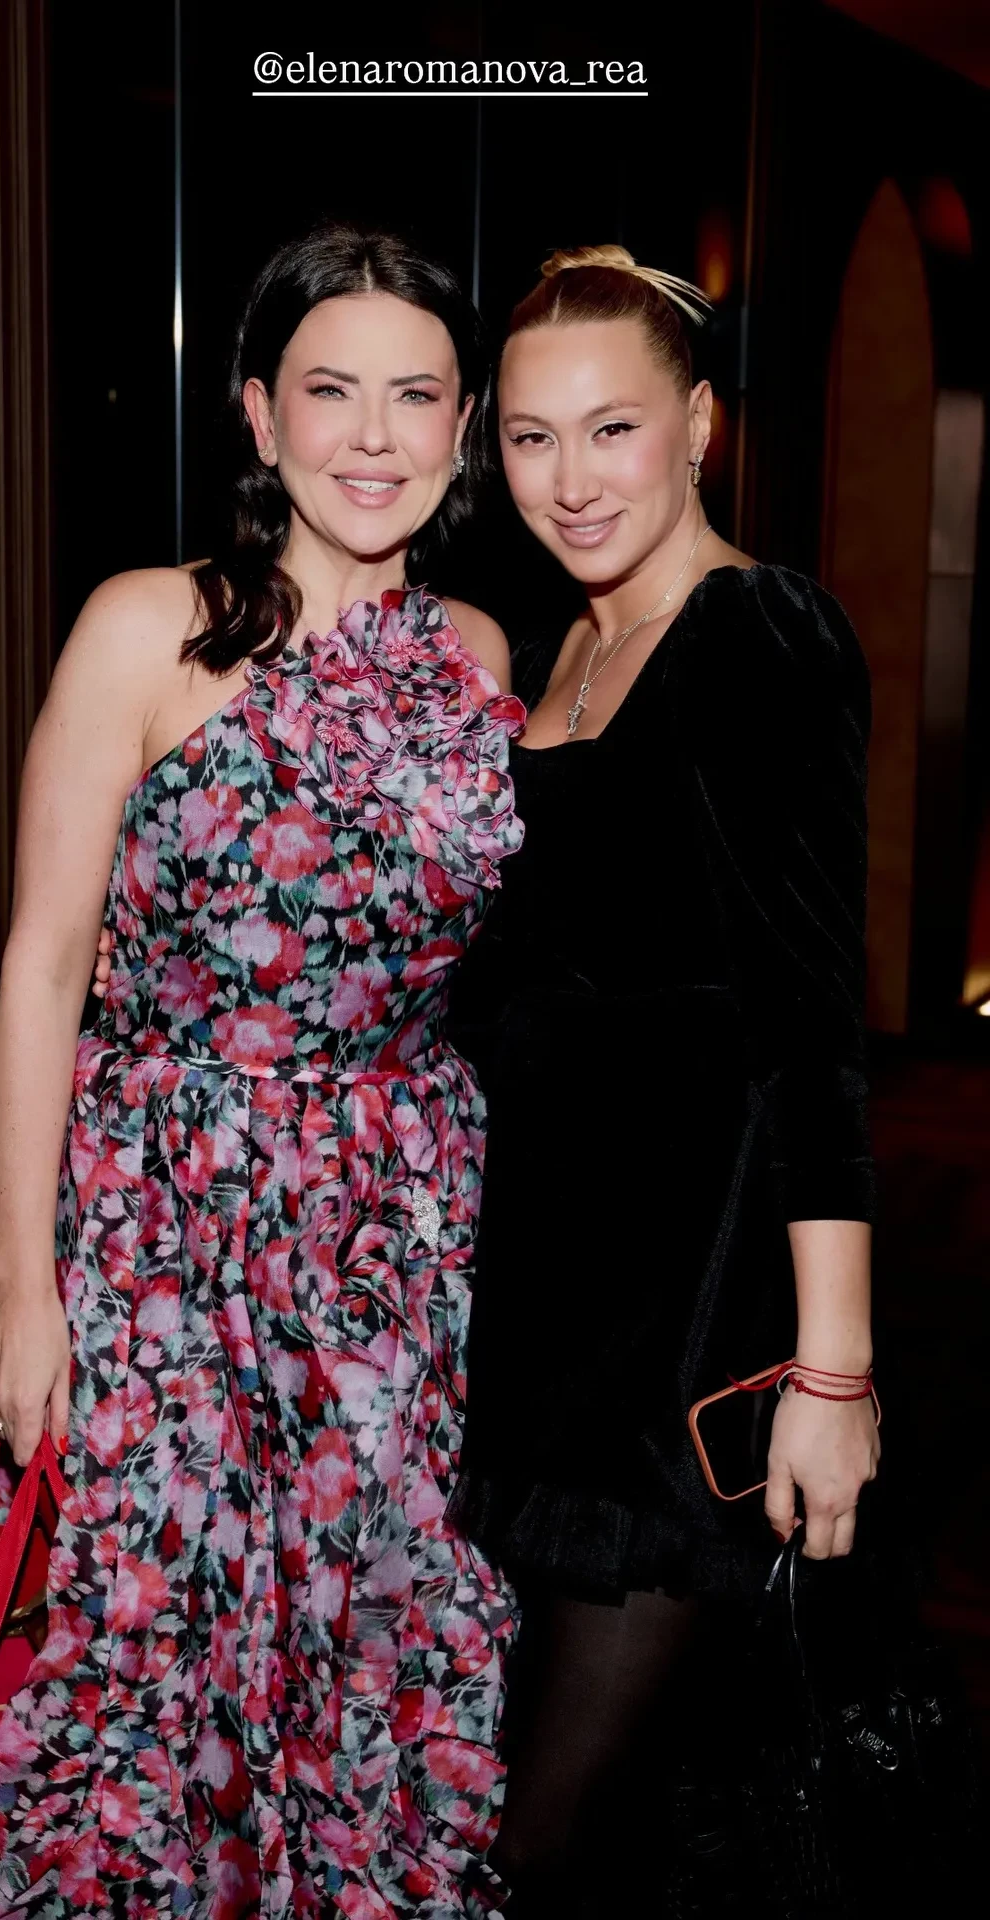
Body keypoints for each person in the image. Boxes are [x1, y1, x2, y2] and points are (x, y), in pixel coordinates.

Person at [0, 221, 527, 1920]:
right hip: (163, 1235)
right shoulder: (152, 628)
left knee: (364, 1656)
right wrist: (19, 1284)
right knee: (155, 1656)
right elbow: (42, 969)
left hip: (392, 1250)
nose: (375, 436)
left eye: (417, 396)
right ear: (260, 414)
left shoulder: (481, 656)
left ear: (463, 425)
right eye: (330, 391)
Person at [437, 245, 881, 1912]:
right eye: (531, 437)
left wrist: (831, 1374)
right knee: (595, 1831)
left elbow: (809, 1027)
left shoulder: (758, 631)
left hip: (682, 1337)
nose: (569, 479)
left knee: (540, 1843)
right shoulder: (564, 648)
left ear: (697, 427)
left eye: (611, 429)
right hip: (552, 1316)